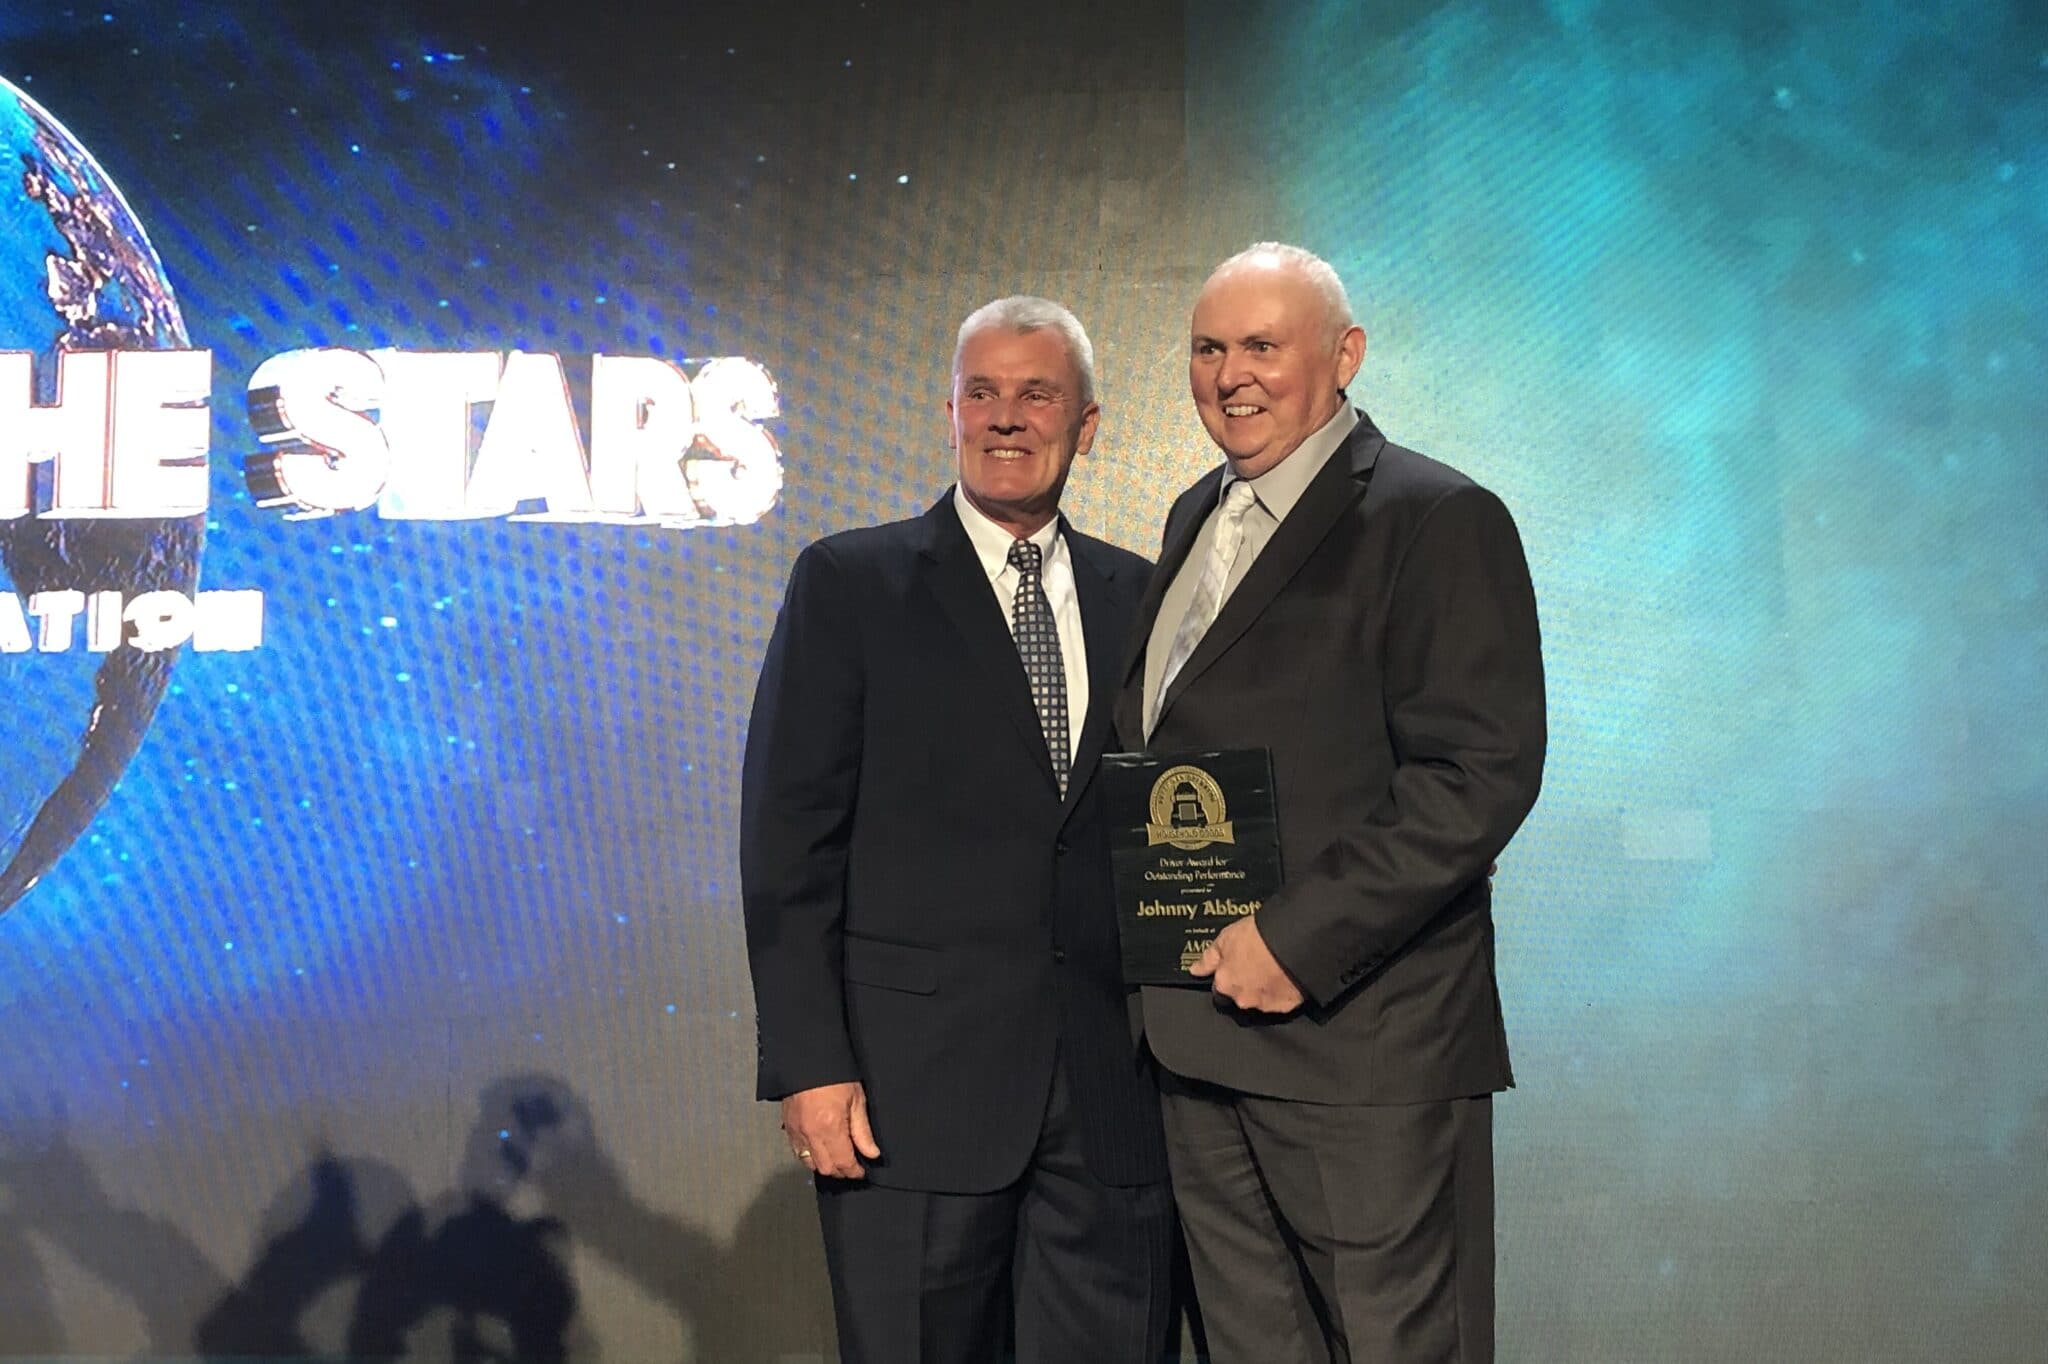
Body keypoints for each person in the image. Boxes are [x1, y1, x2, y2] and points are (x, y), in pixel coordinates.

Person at [1113, 243, 1546, 1363]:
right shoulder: (1189, 517)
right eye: (1208, 348)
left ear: (1342, 354)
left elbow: (1477, 773)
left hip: (1359, 1052)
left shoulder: (1432, 516)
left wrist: (1295, 938)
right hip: (1198, 1043)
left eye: (1261, 344)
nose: (1229, 374)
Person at [741, 297, 1173, 1363]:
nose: (1005, 417)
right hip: (908, 1098)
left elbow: (1178, 825)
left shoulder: (1148, 597)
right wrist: (808, 1061)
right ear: (949, 412)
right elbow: (787, 843)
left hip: (1114, 1103)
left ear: (1088, 423)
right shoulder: (850, 581)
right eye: (981, 391)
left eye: (1036, 393)